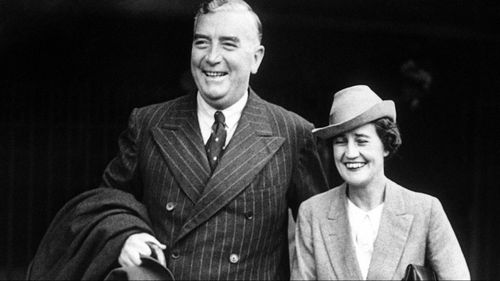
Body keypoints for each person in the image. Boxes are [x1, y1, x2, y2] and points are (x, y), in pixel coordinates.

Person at [27, 0, 327, 280]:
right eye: (201, 42)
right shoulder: (148, 123)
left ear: (256, 58)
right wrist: (126, 235)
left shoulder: (292, 132)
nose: (211, 57)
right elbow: (109, 202)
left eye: (228, 44)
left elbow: (324, 229)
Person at [290, 85, 470, 280]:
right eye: (340, 141)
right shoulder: (313, 213)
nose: (350, 153)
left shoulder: (425, 210)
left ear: (386, 145)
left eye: (361, 140)